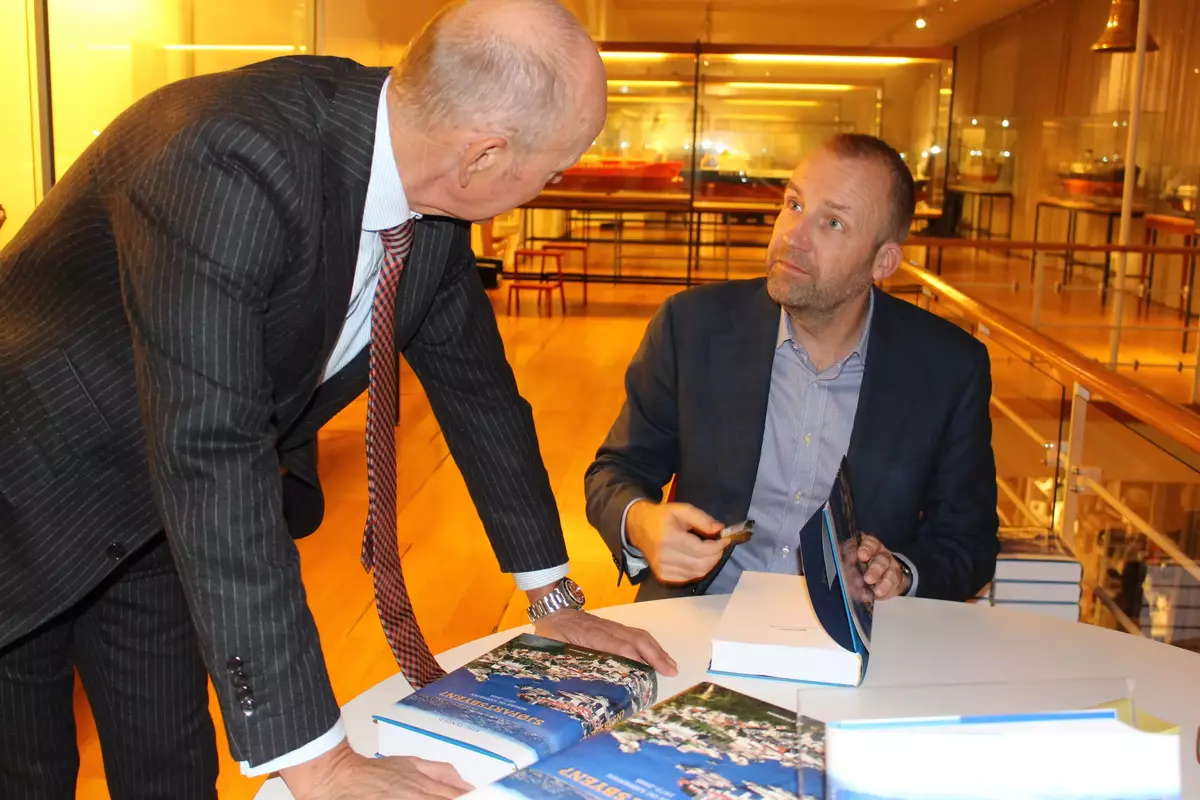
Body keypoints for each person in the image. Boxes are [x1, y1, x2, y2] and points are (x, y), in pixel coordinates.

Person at [0, 2, 678, 799]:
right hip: (26, 492)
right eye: (552, 171)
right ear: (485, 154)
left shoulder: (427, 203)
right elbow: (212, 447)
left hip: (157, 514)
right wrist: (319, 761)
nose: (546, 189)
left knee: (171, 767)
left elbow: (480, 396)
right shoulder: (229, 154)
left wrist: (552, 600)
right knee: (29, 773)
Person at [584, 133, 1000, 605]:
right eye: (794, 205)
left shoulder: (947, 367)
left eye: (833, 223)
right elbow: (614, 471)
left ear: (882, 261)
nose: (793, 237)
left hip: (855, 633)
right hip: (700, 614)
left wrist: (901, 573)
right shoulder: (693, 327)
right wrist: (642, 522)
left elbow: (968, 542)